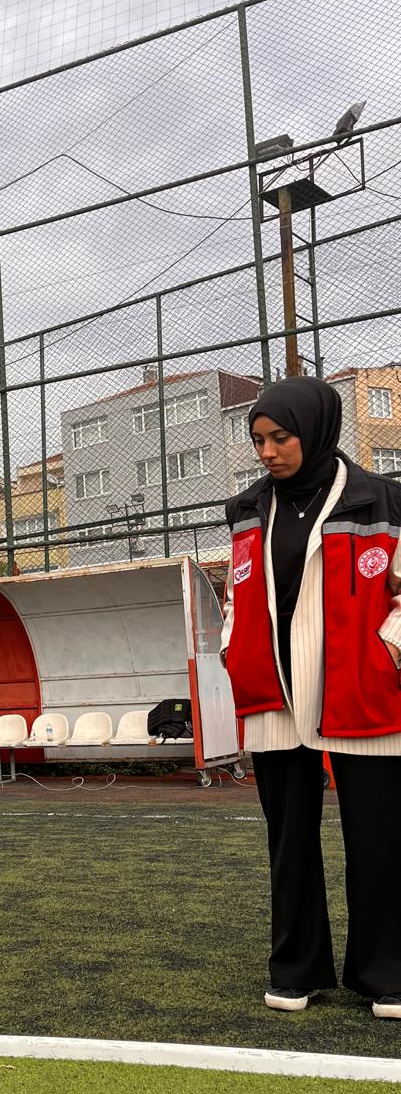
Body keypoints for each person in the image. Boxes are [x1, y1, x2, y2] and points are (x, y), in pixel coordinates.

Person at [222, 375, 401, 1019]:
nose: (267, 452)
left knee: (379, 839)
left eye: (280, 437)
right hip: (277, 696)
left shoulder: (383, 499)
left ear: (317, 430)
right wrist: (230, 645)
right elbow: (237, 596)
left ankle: (388, 974)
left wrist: (389, 650)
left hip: (364, 696)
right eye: (258, 440)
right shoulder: (246, 508)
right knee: (289, 840)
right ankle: (297, 969)